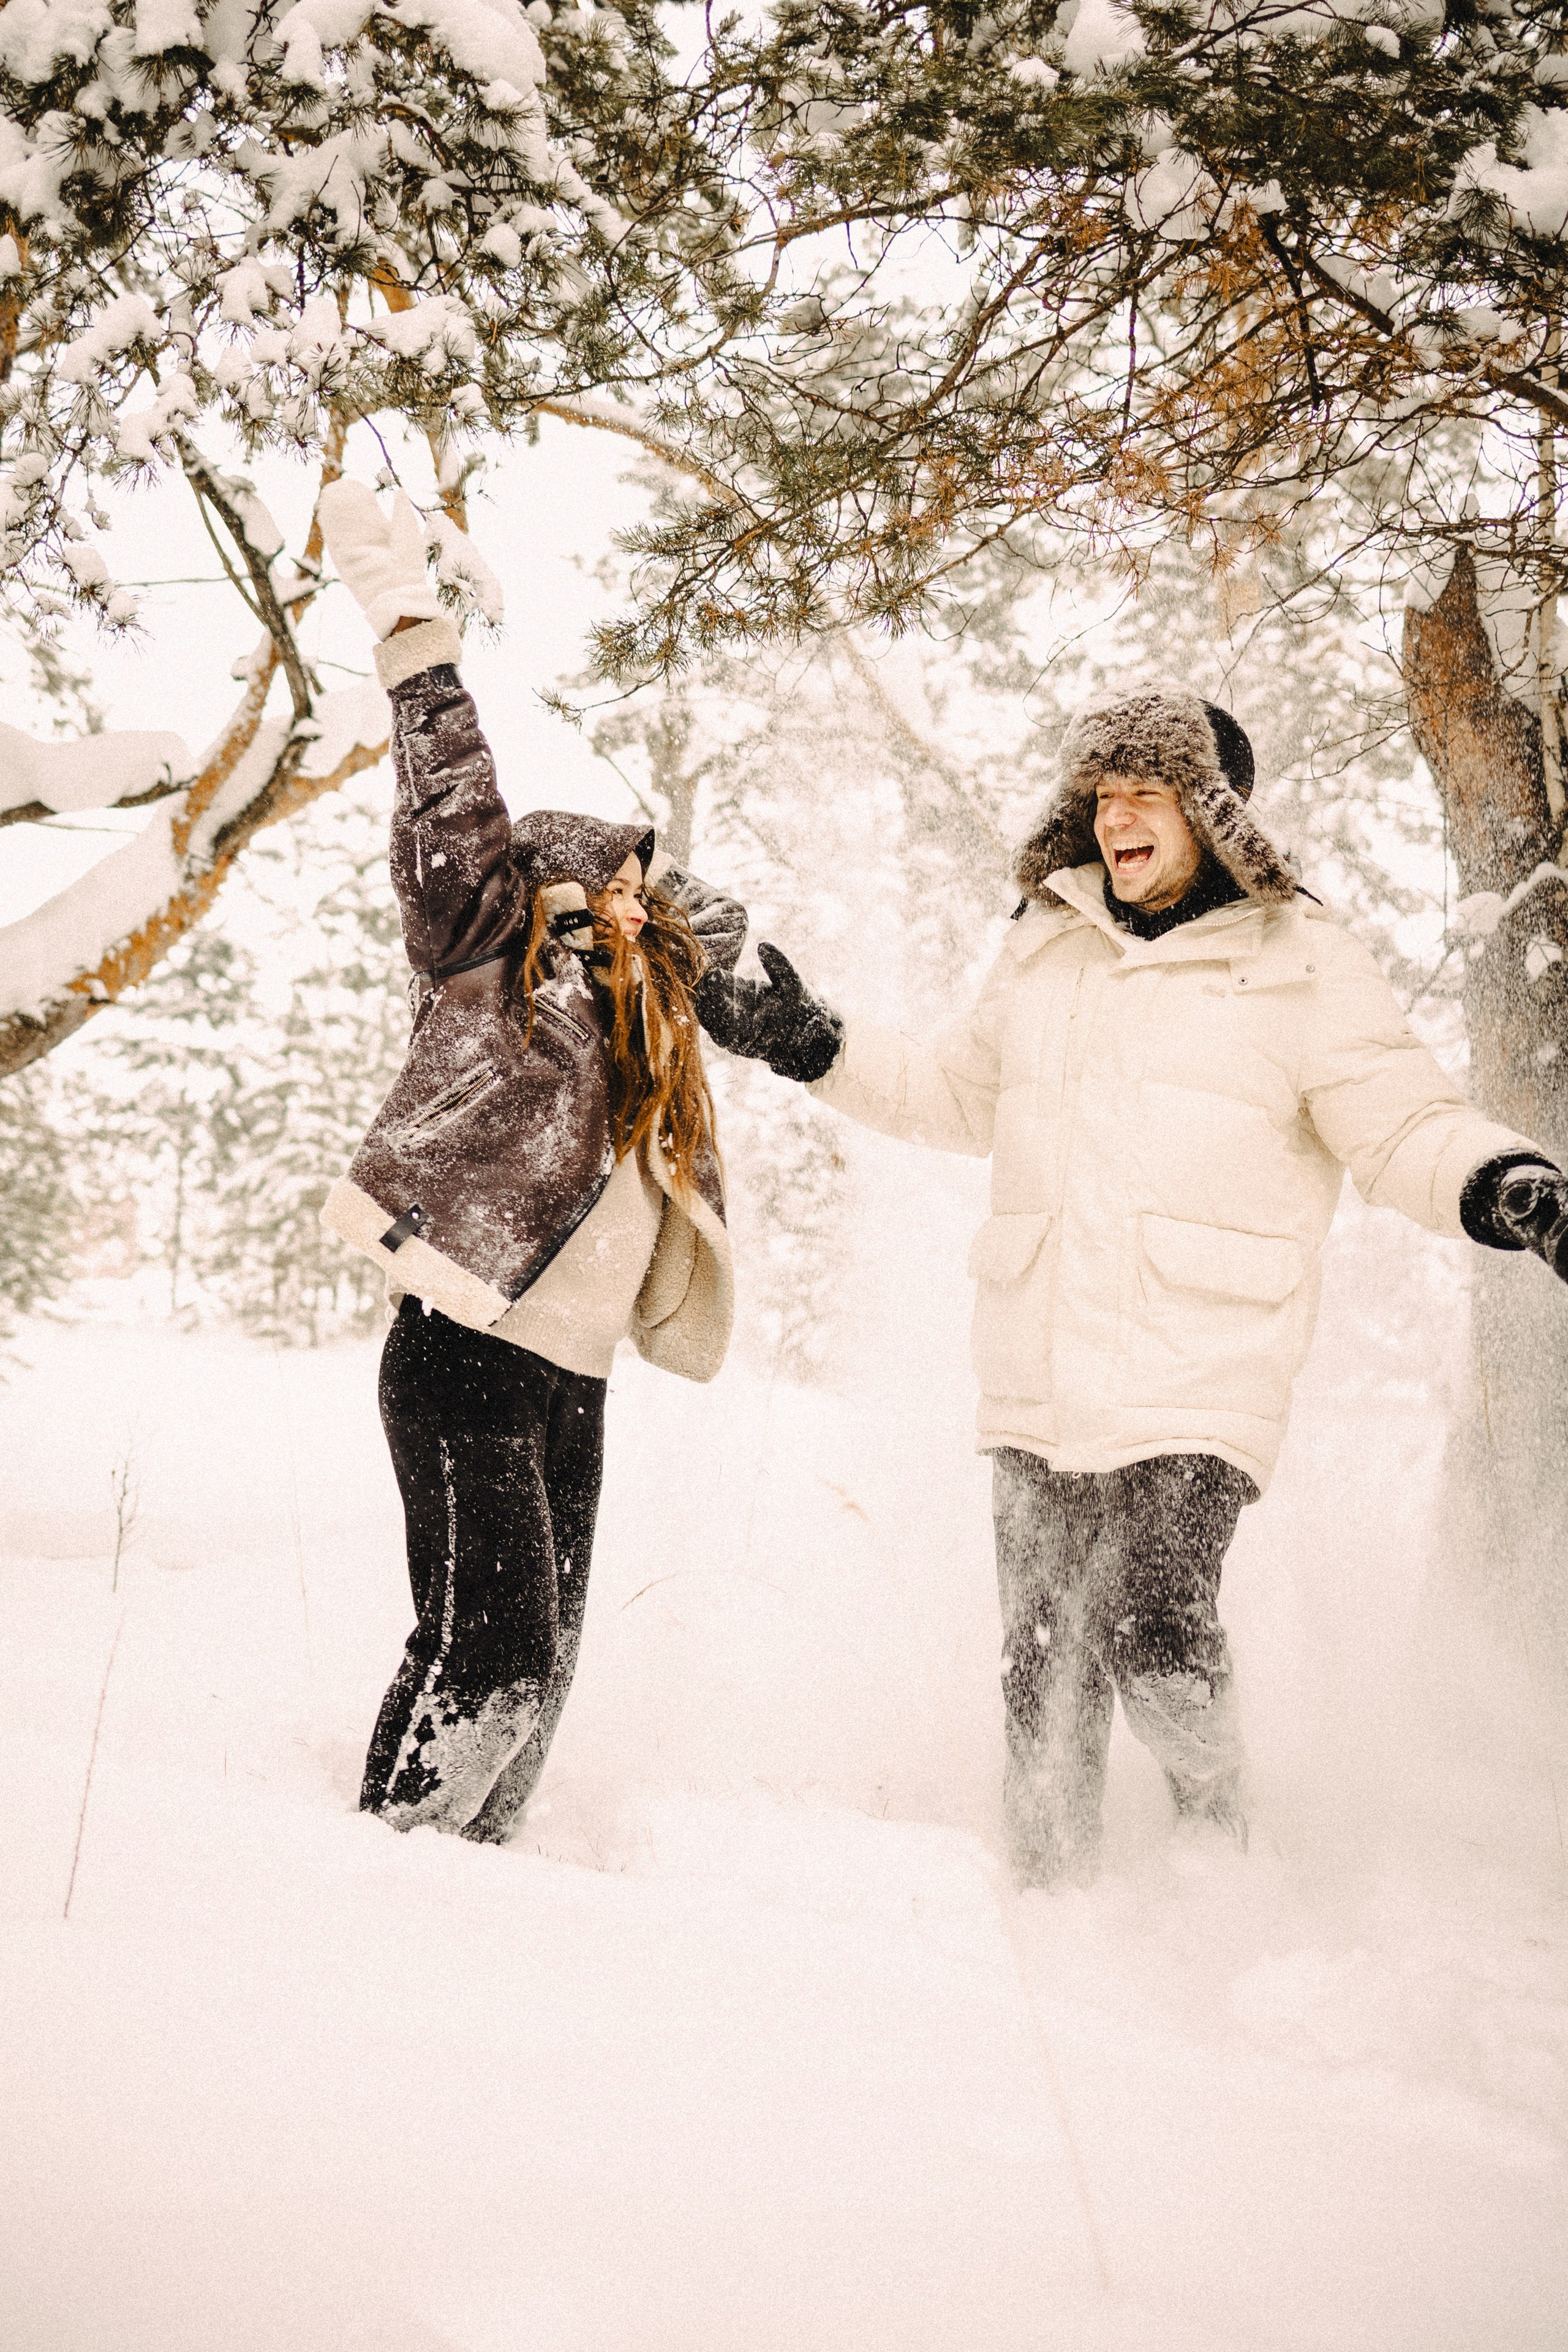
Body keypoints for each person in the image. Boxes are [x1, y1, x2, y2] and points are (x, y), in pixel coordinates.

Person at [699, 686, 1568, 1885]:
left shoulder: (1300, 963)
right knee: (1042, 1666)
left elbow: (1398, 1117)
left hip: (1200, 1364)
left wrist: (1500, 1180)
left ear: (1209, 811)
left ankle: (1216, 1842)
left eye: (1145, 792)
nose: (1116, 818)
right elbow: (959, 1094)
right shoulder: (1043, 947)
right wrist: (810, 1042)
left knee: (1154, 1633)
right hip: (1040, 1357)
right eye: (1101, 795)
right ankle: (1055, 1916)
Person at [315, 480, 746, 1842]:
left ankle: (445, 1874)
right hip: (464, 1349)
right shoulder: (488, 963)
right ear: (549, 893)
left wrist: (674, 917)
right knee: (491, 1659)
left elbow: (716, 935)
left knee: (526, 1669)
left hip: (575, 1376)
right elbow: (452, 806)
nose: (638, 901)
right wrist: (408, 631)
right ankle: (397, 1873)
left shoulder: (648, 1025)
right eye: (614, 880)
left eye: (646, 885)